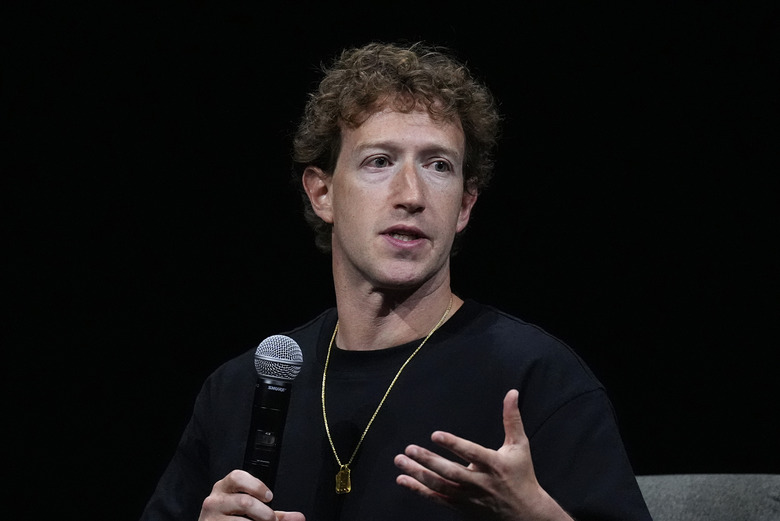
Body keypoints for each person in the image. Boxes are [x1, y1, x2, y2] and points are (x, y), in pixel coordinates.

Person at [140, 42, 652, 521]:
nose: (411, 193)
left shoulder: (536, 380)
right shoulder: (240, 389)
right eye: (379, 161)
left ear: (465, 205)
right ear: (323, 194)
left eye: (438, 165)